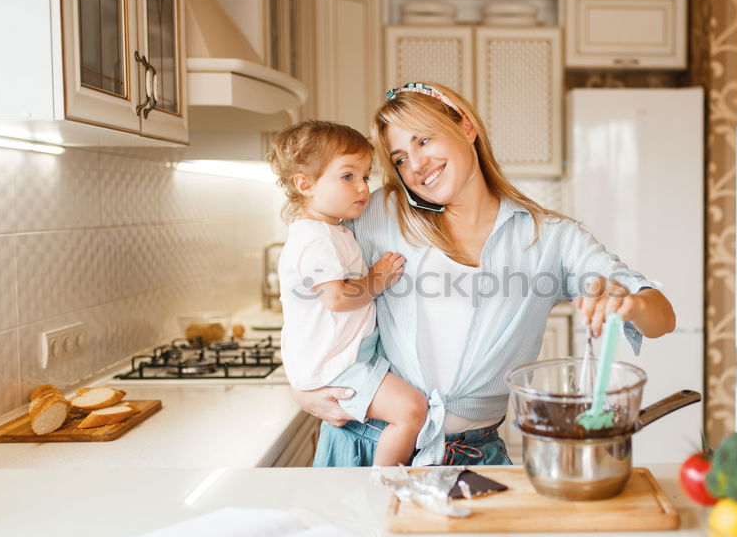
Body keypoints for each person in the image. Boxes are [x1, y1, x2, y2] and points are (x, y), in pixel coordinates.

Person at [290, 83, 677, 467]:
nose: (417, 166)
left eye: (424, 141)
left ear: (466, 127)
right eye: (401, 158)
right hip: (364, 444)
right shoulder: (379, 213)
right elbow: (308, 281)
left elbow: (662, 317)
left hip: (476, 457)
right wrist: (301, 386)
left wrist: (628, 301)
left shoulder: (549, 238)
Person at [267, 120, 430, 466]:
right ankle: (384, 485)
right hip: (336, 366)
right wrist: (378, 279)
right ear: (304, 184)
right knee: (412, 411)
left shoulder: (331, 230)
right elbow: (337, 298)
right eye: (347, 176)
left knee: (409, 409)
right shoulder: (316, 239)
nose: (362, 188)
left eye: (365, 176)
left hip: (346, 358)